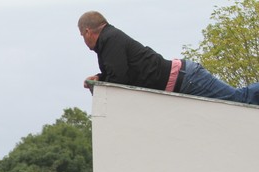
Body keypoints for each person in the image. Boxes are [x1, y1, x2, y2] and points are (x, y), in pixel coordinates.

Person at [78, 11, 259, 105]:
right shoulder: (111, 39)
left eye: (81, 36)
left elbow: (119, 81)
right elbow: (121, 73)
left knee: (240, 99)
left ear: (87, 31)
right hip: (184, 79)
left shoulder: (110, 39)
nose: (84, 42)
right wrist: (100, 78)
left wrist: (99, 84)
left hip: (188, 79)